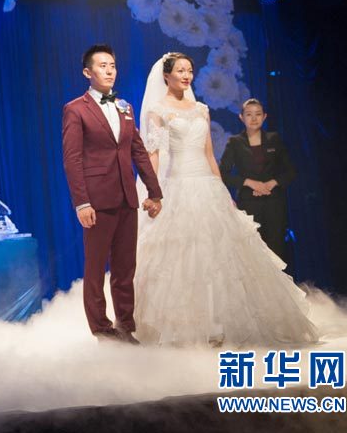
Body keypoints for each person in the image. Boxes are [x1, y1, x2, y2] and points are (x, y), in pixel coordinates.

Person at [133, 53, 317, 347]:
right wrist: (153, 192)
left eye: (190, 70)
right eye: (180, 70)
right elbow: (153, 156)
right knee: (184, 257)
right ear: (166, 75)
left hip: (207, 186)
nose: (187, 75)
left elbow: (208, 154)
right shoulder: (158, 110)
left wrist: (221, 190)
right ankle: (188, 326)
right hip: (177, 185)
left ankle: (220, 325)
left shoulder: (201, 109)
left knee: (221, 255)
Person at [62, 44, 163, 344]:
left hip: (127, 197)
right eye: (102, 66)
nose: (109, 71)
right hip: (96, 199)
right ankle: (102, 330)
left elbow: (138, 151)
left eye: (113, 66)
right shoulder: (75, 109)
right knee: (95, 268)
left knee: (125, 267)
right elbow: (72, 159)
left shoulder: (124, 107)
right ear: (87, 72)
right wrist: (82, 202)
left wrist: (154, 191)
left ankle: (125, 326)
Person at [218, 98, 297, 268]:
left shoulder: (274, 139)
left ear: (265, 116)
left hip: (274, 202)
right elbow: (222, 174)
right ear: (241, 117)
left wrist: (272, 183)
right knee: (252, 253)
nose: (254, 118)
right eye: (249, 114)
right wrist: (249, 182)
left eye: (258, 114)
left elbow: (290, 171)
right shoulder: (235, 142)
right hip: (248, 203)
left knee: (276, 251)